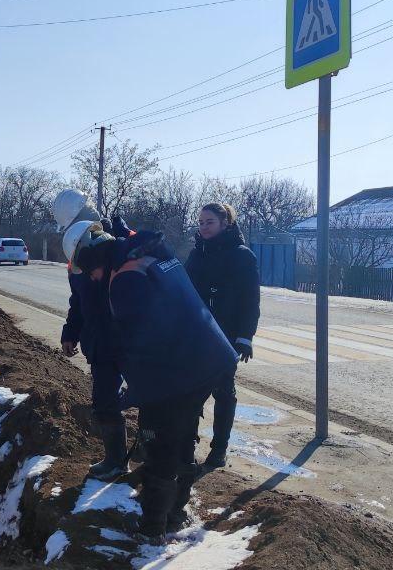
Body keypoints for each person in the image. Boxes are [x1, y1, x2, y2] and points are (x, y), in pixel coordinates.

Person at [66, 221, 237, 542]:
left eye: (90, 273)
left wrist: (139, 395)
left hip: (182, 364)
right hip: (211, 355)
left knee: (158, 440)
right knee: (183, 434)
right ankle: (174, 512)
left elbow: (144, 344)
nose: (91, 279)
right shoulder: (149, 254)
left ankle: (153, 528)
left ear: (95, 262)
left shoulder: (125, 278)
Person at [185, 203, 260, 469]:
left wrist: (245, 337)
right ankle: (186, 445)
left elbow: (250, 300)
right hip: (197, 335)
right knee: (190, 391)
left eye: (210, 222)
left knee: (223, 393)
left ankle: (219, 450)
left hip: (226, 336)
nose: (204, 227)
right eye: (201, 222)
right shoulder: (196, 255)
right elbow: (185, 294)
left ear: (225, 223)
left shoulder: (242, 256)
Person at [61, 215, 135, 481]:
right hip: (100, 344)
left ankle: (155, 462)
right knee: (104, 401)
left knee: (148, 401)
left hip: (126, 344)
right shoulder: (78, 270)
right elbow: (77, 304)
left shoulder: (119, 260)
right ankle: (115, 460)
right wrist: (70, 333)